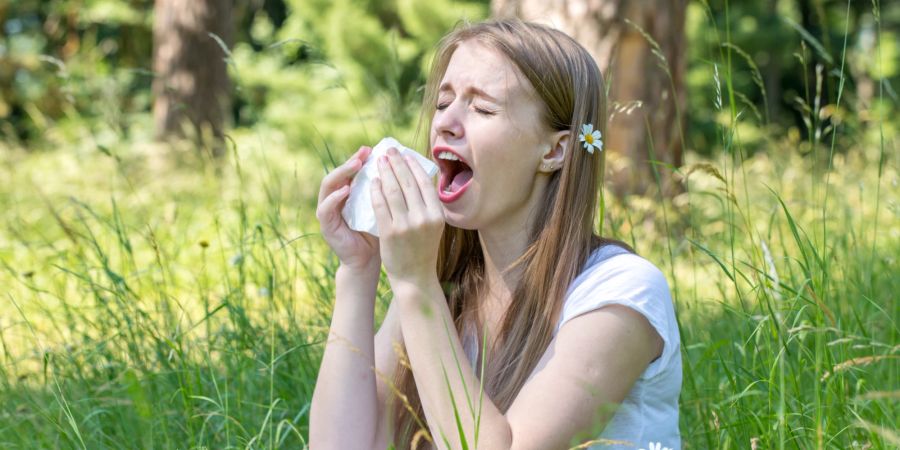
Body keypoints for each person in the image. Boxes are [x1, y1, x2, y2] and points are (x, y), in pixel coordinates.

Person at [310, 19, 682, 450]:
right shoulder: (445, 289)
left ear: (554, 150)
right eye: (443, 102)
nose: (445, 123)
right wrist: (358, 271)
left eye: (483, 108)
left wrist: (415, 285)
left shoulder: (622, 294)